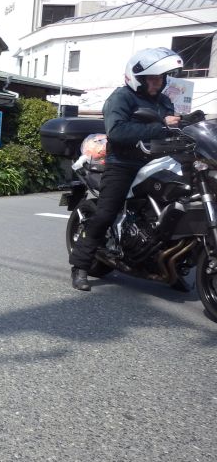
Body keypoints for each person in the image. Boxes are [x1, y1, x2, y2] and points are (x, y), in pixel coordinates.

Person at [69, 47, 183, 291]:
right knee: (105, 213)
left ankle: (169, 266)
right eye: (153, 78)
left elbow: (169, 130)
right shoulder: (122, 98)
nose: (158, 82)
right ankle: (80, 265)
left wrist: (186, 124)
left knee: (173, 210)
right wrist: (162, 126)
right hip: (123, 164)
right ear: (138, 78)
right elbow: (117, 132)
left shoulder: (164, 101)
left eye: (161, 77)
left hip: (157, 162)